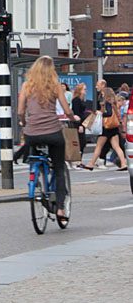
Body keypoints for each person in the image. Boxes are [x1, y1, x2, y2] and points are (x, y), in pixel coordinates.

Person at [17, 56, 78, 224]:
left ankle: (36, 177)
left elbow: (20, 110)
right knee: (59, 168)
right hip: (53, 132)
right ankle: (60, 208)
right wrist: (74, 117)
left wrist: (24, 122)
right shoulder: (55, 87)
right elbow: (66, 109)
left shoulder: (26, 86)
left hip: (32, 134)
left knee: (34, 156)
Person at [79, 86, 127, 171]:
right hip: (114, 127)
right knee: (116, 147)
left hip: (106, 128)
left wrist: (100, 113)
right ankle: (123, 163)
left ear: (106, 94)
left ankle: (91, 164)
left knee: (98, 146)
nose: (101, 94)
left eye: (102, 93)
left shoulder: (107, 103)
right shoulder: (114, 103)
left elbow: (108, 114)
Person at [70, 83, 89, 157]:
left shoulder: (81, 99)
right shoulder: (76, 100)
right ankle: (77, 159)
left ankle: (79, 159)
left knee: (82, 142)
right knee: (81, 141)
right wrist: (79, 125)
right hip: (78, 123)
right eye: (84, 89)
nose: (86, 91)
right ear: (80, 90)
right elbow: (77, 113)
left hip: (83, 122)